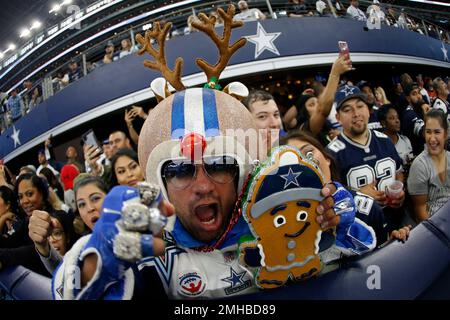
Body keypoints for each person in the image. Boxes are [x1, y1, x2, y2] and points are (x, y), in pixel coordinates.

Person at [281, 130, 411, 245]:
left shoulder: (368, 209)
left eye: (308, 153)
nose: (305, 162)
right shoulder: (281, 225)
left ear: (327, 158)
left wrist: (393, 244)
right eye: (292, 161)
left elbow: (380, 258)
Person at [327, 85, 405, 230]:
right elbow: (330, 200)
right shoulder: (331, 154)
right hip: (362, 235)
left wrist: (400, 192)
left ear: (368, 110)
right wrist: (358, 196)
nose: (356, 113)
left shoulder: (385, 141)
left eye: (360, 106)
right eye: (347, 110)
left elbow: (399, 172)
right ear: (338, 117)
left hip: (398, 227)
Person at [28, 174, 108, 274]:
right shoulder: (84, 251)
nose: (89, 208)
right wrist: (43, 246)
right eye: (81, 204)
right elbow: (67, 275)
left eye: (95, 198)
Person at [408, 109, 450, 222]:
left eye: (437, 132)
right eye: (428, 132)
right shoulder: (419, 165)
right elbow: (420, 211)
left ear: (446, 134)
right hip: (434, 227)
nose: (432, 138)